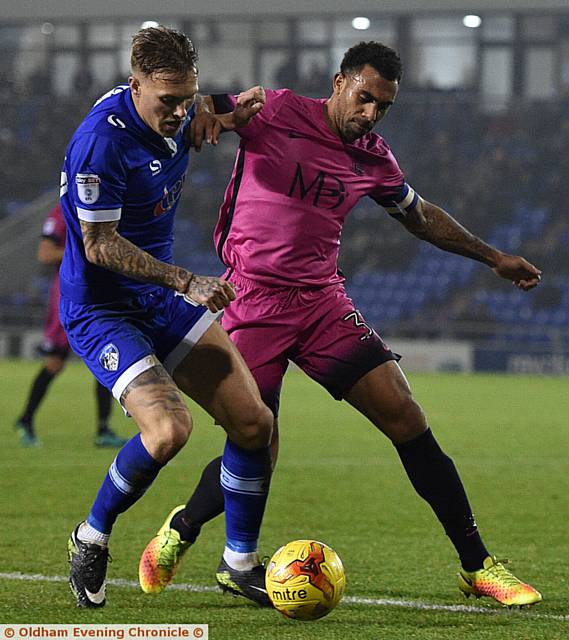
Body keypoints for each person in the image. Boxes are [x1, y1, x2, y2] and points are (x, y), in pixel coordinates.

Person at [139, 41, 543, 608]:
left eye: (383, 106)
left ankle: (478, 566)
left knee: (406, 415)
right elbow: (195, 103)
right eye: (365, 98)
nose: (371, 114)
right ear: (338, 82)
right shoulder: (276, 110)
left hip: (322, 302)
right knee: (258, 441)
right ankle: (183, 528)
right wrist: (207, 109)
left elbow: (420, 217)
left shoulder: (375, 158)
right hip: (252, 299)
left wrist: (492, 256)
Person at [59, 25, 275, 609]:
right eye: (167, 101)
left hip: (156, 300)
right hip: (102, 310)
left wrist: (229, 108)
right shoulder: (100, 144)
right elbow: (100, 245)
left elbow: (207, 109)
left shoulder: (179, 111)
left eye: (188, 97)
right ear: (135, 86)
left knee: (255, 424)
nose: (180, 112)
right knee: (168, 431)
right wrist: (186, 281)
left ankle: (239, 563)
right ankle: (91, 535)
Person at [15, 203, 126, 448]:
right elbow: (45, 254)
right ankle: (26, 419)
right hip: (69, 297)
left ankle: (103, 429)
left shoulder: (102, 209)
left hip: (97, 296)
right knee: (55, 363)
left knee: (107, 359)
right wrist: (84, 251)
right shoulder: (62, 212)